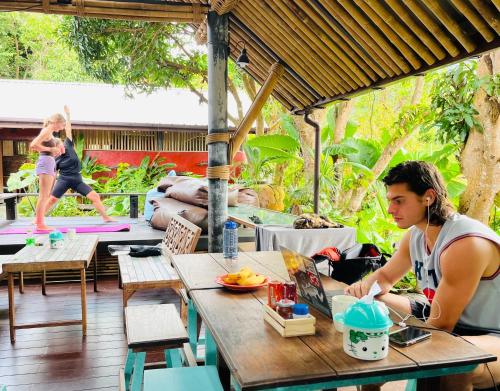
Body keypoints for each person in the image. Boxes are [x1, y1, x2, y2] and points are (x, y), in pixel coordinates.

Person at [345, 161, 499, 391]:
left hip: (489, 334)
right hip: (439, 314)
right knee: (372, 303)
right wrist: (363, 290)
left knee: (456, 359)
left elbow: (442, 326)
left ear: (428, 197)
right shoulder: (416, 235)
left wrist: (390, 344)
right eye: (390, 201)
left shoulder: (465, 244)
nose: (390, 209)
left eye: (399, 201)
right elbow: (386, 277)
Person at [44, 106, 115, 223]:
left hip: (77, 180)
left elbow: (68, 130)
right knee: (51, 200)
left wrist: (68, 115)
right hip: (64, 180)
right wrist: (50, 188)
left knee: (95, 197)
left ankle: (106, 218)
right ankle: (38, 219)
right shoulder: (55, 158)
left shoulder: (68, 145)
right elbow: (53, 174)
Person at [30, 113, 66, 231]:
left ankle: (39, 221)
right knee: (43, 196)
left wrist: (58, 142)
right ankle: (40, 224)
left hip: (48, 163)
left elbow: (51, 140)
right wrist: (51, 149)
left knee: (46, 195)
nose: (62, 127)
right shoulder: (46, 130)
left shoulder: (49, 133)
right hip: (45, 162)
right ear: (56, 121)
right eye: (62, 124)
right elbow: (33, 145)